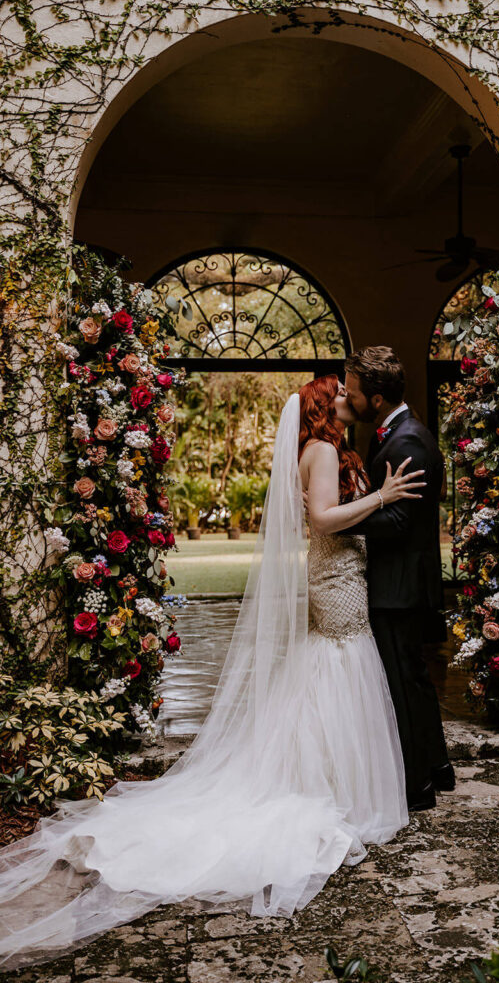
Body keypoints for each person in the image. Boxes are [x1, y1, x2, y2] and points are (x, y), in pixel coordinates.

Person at [0, 376, 422, 971]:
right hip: (337, 578)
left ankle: (329, 774)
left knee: (330, 666)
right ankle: (332, 784)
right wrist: (383, 495)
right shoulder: (322, 451)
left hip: (339, 576)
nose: (352, 396)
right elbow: (325, 520)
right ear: (327, 407)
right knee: (339, 660)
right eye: (342, 391)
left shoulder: (319, 449)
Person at [342, 346, 454, 811]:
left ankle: (418, 787)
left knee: (401, 686)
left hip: (399, 587)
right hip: (403, 583)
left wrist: (341, 519)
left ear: (379, 397)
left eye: (354, 394)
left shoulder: (406, 441)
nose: (349, 401)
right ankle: (437, 767)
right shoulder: (396, 432)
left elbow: (400, 522)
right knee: (413, 681)